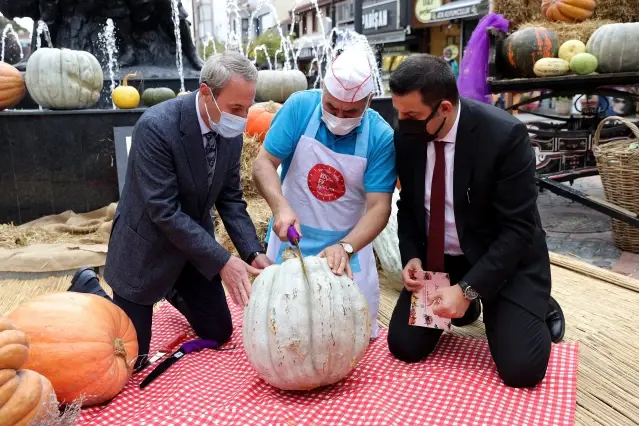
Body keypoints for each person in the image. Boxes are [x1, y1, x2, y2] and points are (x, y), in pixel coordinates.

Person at [68, 51, 272, 369]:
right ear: (206, 93)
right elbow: (164, 211)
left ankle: (172, 289)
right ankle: (88, 286)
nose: (243, 117)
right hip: (146, 246)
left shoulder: (230, 135)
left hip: (193, 249)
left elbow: (231, 200)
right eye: (236, 108)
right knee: (132, 357)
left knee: (219, 332)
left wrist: (252, 253)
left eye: (247, 108)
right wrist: (222, 261)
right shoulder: (156, 127)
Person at [386, 54, 566, 388]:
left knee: (521, 371)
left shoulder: (505, 135)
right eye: (398, 111)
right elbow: (409, 206)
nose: (401, 121)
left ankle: (534, 303)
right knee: (405, 347)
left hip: (503, 261)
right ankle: (466, 309)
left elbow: (518, 230)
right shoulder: (408, 136)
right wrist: (411, 253)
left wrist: (468, 289)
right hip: (441, 260)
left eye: (410, 114)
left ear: (443, 108)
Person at [252, 48, 397, 339]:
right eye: (331, 107)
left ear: (368, 102)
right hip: (290, 244)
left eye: (350, 112)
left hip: (347, 251)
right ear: (323, 92)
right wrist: (280, 207)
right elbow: (263, 163)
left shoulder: (381, 137)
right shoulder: (298, 108)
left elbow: (379, 208)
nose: (338, 117)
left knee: (346, 339)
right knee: (281, 336)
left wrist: (345, 246)